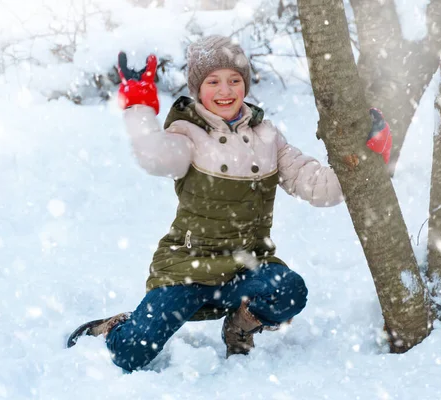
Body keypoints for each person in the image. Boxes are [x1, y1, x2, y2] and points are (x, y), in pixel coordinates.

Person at [66, 35, 392, 372]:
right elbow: (154, 157)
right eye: (214, 82)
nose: (226, 91)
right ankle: (117, 328)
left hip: (244, 268)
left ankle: (239, 326)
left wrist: (367, 159)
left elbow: (319, 187)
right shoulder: (188, 134)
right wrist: (138, 104)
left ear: (245, 85)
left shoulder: (267, 137)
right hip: (188, 271)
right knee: (131, 354)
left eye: (235, 80)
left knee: (290, 291)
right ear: (198, 89)